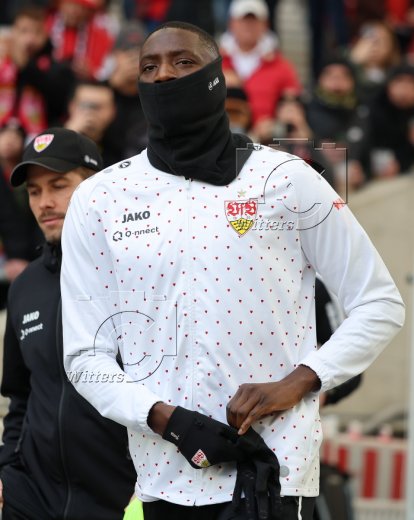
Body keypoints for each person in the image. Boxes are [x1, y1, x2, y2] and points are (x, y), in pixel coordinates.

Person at [60, 21, 405, 520]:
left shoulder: (288, 179)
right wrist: (163, 419)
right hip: (164, 477)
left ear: (217, 77)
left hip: (274, 472)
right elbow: (85, 357)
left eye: (183, 62)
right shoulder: (100, 198)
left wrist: (303, 379)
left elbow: (379, 303)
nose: (163, 76)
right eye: (149, 67)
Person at [0, 128, 136, 520]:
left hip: (122, 501)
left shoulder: (136, 273)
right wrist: (6, 471)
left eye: (59, 186)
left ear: (97, 187)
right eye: (34, 191)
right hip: (29, 497)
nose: (45, 202)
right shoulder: (25, 286)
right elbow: (19, 396)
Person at [220, 0, 301, 133]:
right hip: (223, 138)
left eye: (254, 21)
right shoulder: (214, 63)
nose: (248, 26)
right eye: (243, 20)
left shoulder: (282, 67)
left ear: (265, 24)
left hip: (266, 140)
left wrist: (276, 125)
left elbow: (293, 109)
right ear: (231, 23)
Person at [0, 6, 75, 141]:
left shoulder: (58, 68)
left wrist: (24, 63)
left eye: (37, 32)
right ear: (13, 32)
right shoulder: (2, 61)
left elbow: (58, 99)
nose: (30, 39)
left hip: (38, 138)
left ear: (46, 35)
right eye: (24, 31)